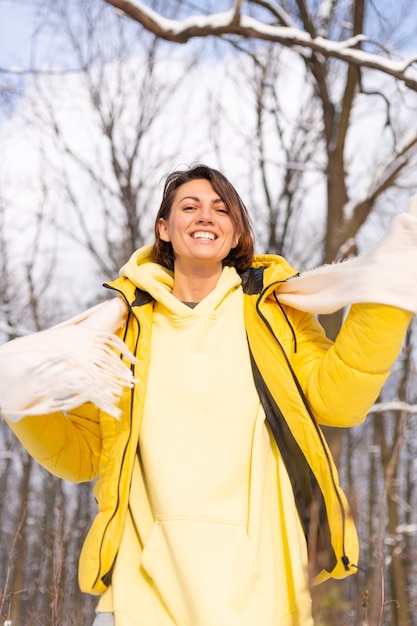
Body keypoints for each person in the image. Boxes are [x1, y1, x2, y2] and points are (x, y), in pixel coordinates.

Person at [1, 163, 417, 626]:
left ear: (236, 234)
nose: (206, 216)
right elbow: (83, 456)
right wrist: (22, 398)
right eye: (190, 206)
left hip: (259, 591)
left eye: (221, 209)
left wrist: (390, 290)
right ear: (164, 228)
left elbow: (339, 400)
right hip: (143, 593)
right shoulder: (121, 331)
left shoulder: (272, 318)